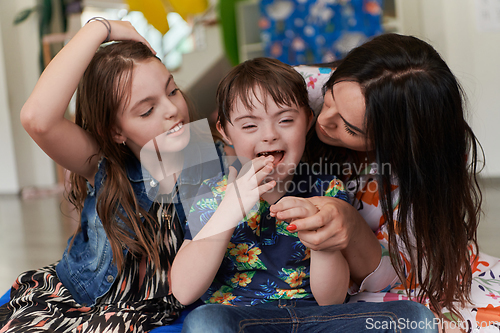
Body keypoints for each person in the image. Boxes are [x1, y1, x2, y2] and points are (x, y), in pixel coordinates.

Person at [171, 57, 439, 333]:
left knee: (415, 318)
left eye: (286, 120)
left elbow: (331, 300)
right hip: (245, 320)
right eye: (250, 126)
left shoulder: (327, 190)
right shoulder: (212, 194)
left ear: (308, 121)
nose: (269, 136)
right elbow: (183, 291)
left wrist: (323, 245)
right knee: (204, 323)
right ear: (225, 132)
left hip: (317, 322)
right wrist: (230, 207)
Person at [0, 18, 226, 332]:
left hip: (139, 312)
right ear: (116, 131)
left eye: (172, 91)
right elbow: (37, 118)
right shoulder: (105, 163)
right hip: (78, 297)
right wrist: (100, 28)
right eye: (146, 110)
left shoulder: (207, 158)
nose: (172, 109)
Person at [283, 33, 495, 333]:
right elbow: (215, 136)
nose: (322, 120)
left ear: (396, 144)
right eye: (328, 99)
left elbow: (396, 274)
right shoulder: (299, 87)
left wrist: (351, 227)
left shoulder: (423, 168)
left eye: (349, 127)